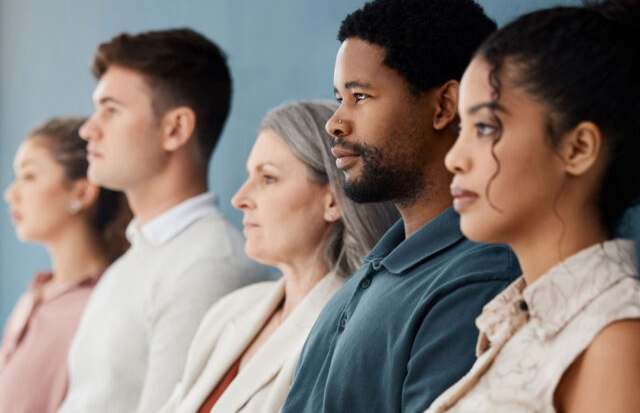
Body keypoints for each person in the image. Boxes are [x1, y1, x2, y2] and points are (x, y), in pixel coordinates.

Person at [281, 0, 521, 413]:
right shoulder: (379, 266)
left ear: (445, 105)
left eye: (361, 96)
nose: (335, 123)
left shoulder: (479, 279)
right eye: (339, 98)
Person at [427, 0, 640, 411]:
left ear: (577, 149)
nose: (454, 158)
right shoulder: (512, 322)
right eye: (460, 130)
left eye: (485, 128)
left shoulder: (614, 336)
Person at [59, 29, 269, 413]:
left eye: (112, 109)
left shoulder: (208, 266)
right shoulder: (133, 261)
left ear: (176, 129)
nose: (88, 129)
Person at [159, 100, 399, 413]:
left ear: (333, 200)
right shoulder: (227, 313)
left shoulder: (353, 335)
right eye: (249, 176)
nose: (239, 199)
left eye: (268, 178)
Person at [0, 117, 131, 413]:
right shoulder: (33, 298)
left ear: (82, 192)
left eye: (29, 176)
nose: (11, 193)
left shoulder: (103, 306)